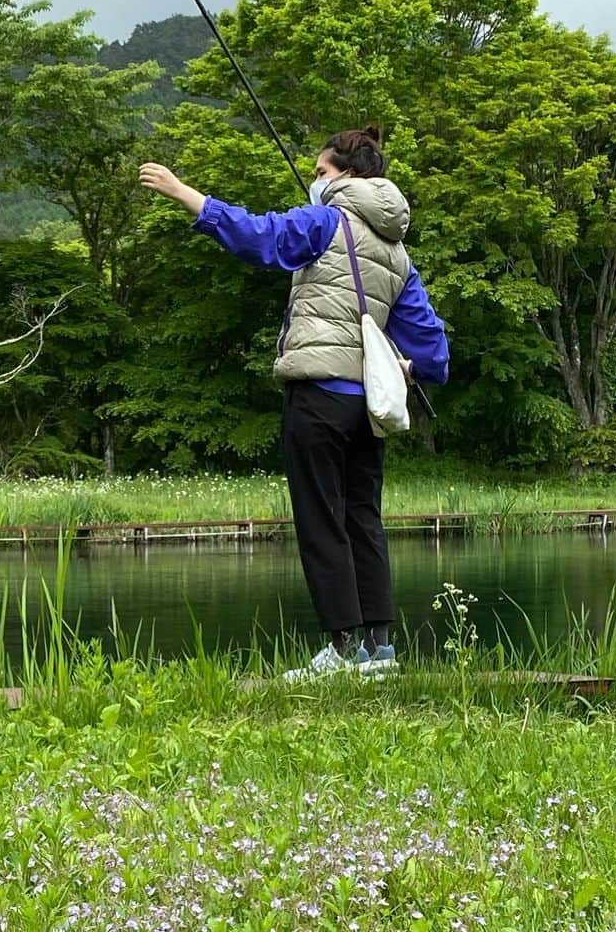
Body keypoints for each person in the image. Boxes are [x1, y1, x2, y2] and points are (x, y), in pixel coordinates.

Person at [138, 128, 449, 679]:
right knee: (362, 519)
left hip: (319, 395)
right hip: (369, 412)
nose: (315, 182)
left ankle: (342, 649)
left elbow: (261, 237)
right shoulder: (398, 252)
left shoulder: (326, 220)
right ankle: (379, 650)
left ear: (345, 176)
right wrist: (413, 369)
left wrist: (184, 192)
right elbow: (431, 345)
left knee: (320, 520)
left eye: (321, 173)